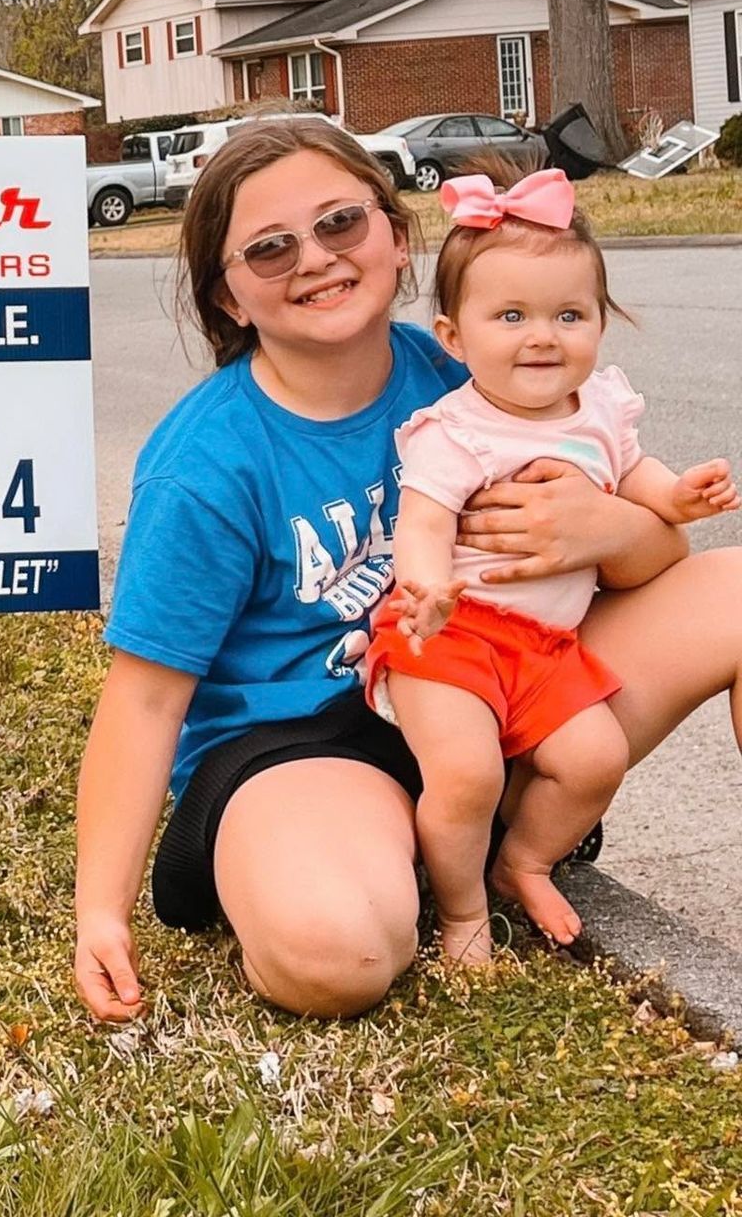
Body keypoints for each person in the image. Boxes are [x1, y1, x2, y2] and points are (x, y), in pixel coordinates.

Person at [72, 118, 742, 1022]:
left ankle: (480, 840)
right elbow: (145, 699)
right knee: (339, 955)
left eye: (340, 223)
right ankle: (371, 859)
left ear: (396, 234)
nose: (314, 258)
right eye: (268, 250)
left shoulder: (475, 369)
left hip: (500, 685)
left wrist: (601, 528)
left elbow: (657, 559)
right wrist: (99, 912)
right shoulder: (206, 464)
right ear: (229, 298)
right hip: (307, 743)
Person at [364, 165, 738, 966]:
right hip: (452, 639)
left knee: (595, 759)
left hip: (546, 650)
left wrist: (680, 494)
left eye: (569, 314)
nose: (543, 335)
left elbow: (636, 481)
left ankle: (522, 862)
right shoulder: (454, 429)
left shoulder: (600, 412)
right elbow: (423, 522)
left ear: (600, 323)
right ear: (455, 338)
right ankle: (463, 914)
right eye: (511, 316)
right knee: (465, 774)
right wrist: (426, 585)